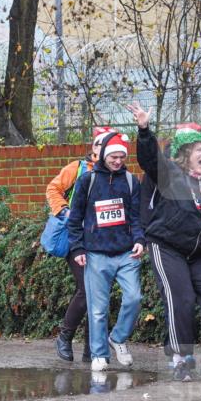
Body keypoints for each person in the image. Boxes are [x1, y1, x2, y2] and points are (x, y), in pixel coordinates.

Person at [128, 103, 201, 382]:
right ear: (186, 153)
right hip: (167, 247)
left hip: (199, 253)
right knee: (181, 300)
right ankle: (181, 360)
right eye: (199, 149)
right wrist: (144, 130)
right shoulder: (171, 176)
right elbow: (150, 158)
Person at [67, 131, 146, 372]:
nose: (118, 161)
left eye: (122, 156)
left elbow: (136, 216)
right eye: (113, 156)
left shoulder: (131, 181)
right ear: (103, 155)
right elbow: (75, 218)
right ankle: (99, 354)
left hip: (125, 253)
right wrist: (78, 247)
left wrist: (140, 239)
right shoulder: (87, 180)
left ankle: (118, 338)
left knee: (134, 298)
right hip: (95, 254)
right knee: (98, 309)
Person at [46, 126, 114, 362]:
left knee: (100, 294)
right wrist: (64, 211)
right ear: (93, 147)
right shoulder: (77, 168)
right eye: (99, 144)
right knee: (86, 290)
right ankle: (64, 337)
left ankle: (91, 348)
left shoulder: (116, 174)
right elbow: (53, 188)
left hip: (103, 243)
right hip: (77, 239)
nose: (102, 149)